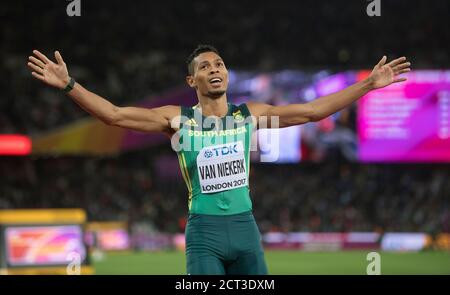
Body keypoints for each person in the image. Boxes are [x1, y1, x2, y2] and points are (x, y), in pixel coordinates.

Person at [27, 44, 410, 274]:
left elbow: (310, 112)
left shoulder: (251, 114)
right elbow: (113, 115)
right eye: (205, 67)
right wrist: (70, 85)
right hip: (204, 235)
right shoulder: (177, 119)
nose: (215, 69)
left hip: (246, 231)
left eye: (220, 64)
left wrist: (367, 85)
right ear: (192, 81)